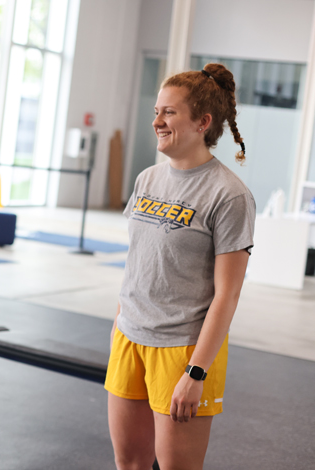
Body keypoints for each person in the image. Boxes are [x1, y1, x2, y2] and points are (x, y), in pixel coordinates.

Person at [105, 62, 255, 470]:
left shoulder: (229, 195)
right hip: (129, 339)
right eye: (156, 111)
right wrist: (121, 322)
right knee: (129, 464)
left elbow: (228, 294)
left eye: (169, 112)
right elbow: (139, 260)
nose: (157, 121)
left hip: (182, 349)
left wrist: (197, 373)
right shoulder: (147, 180)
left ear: (203, 122)